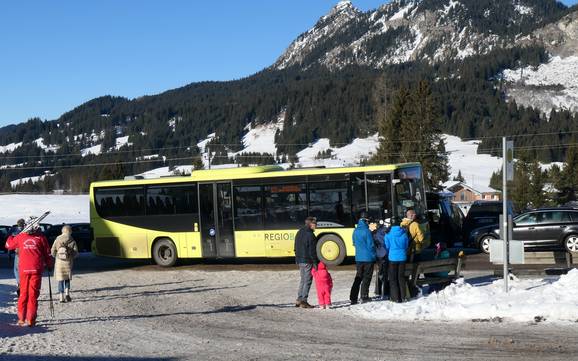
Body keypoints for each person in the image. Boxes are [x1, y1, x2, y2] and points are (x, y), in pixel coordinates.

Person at [5, 222, 52, 327]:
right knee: (33, 295)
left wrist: (11, 236)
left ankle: (22, 319)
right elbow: (47, 253)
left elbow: (8, 245)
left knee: (23, 294)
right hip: (36, 269)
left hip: (24, 270)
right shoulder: (41, 238)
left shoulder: (20, 237)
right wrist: (49, 265)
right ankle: (31, 319)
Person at [349, 213, 376, 305]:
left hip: (359, 258)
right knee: (367, 277)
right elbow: (371, 245)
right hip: (368, 258)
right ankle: (364, 296)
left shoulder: (355, 231)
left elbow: (354, 243)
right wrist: (374, 256)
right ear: (365, 221)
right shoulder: (367, 231)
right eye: (368, 221)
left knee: (358, 277)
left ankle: (353, 298)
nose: (369, 223)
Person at [294, 216, 318, 309]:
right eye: (315, 224)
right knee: (307, 281)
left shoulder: (299, 232)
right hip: (307, 260)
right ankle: (304, 301)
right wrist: (315, 262)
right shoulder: (311, 235)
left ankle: (299, 299)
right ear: (311, 224)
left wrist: (297, 258)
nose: (316, 226)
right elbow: (312, 251)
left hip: (300, 260)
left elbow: (295, 246)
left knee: (303, 280)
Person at [51, 225, 78, 303]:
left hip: (59, 262)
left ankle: (61, 297)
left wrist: (56, 256)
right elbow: (76, 252)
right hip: (68, 262)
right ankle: (67, 293)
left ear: (62, 231)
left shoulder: (58, 239)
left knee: (60, 279)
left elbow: (52, 250)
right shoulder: (72, 240)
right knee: (67, 278)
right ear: (70, 231)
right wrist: (71, 256)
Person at [385, 218, 410, 303]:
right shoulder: (404, 233)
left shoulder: (388, 234)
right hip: (402, 258)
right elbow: (406, 245)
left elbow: (387, 246)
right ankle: (403, 296)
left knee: (393, 278)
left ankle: (395, 297)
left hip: (392, 258)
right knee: (401, 277)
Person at [372, 220, 389, 299]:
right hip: (386, 254)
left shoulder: (375, 233)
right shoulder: (386, 232)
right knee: (385, 274)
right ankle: (385, 291)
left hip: (379, 255)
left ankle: (378, 291)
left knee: (380, 273)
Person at [10, 219, 26, 297]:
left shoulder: (15, 232)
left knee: (16, 269)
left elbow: (11, 243)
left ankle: (20, 284)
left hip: (18, 253)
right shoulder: (27, 231)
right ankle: (23, 285)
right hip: (26, 253)